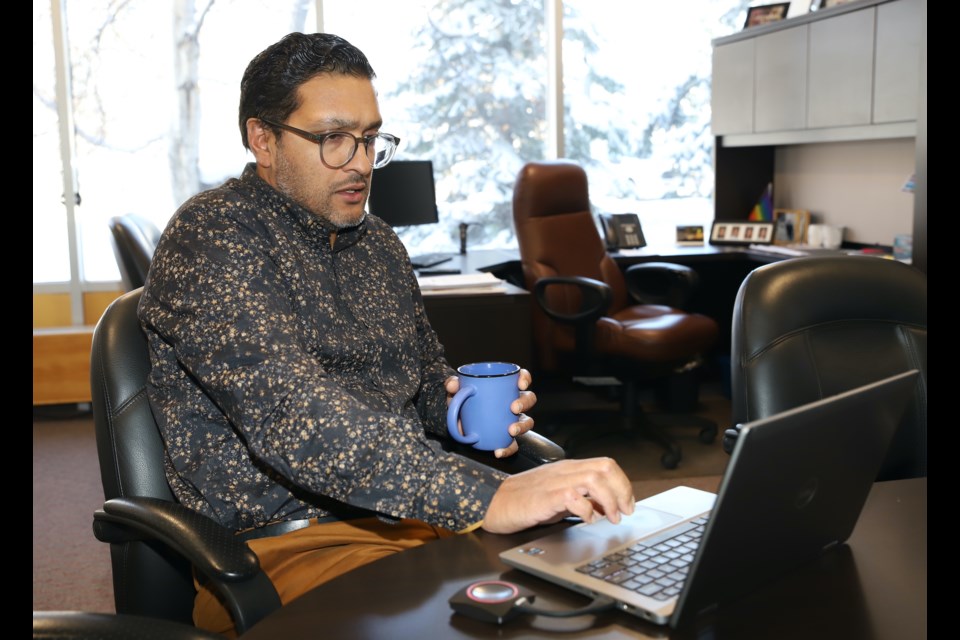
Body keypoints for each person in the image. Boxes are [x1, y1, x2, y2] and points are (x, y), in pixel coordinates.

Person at [139, 32, 634, 636]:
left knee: (593, 591)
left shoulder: (377, 244)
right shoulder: (213, 237)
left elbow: (424, 380)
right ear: (261, 139)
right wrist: (486, 496)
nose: (361, 162)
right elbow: (295, 419)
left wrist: (464, 408)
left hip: (412, 518)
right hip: (288, 549)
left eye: (372, 138)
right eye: (333, 139)